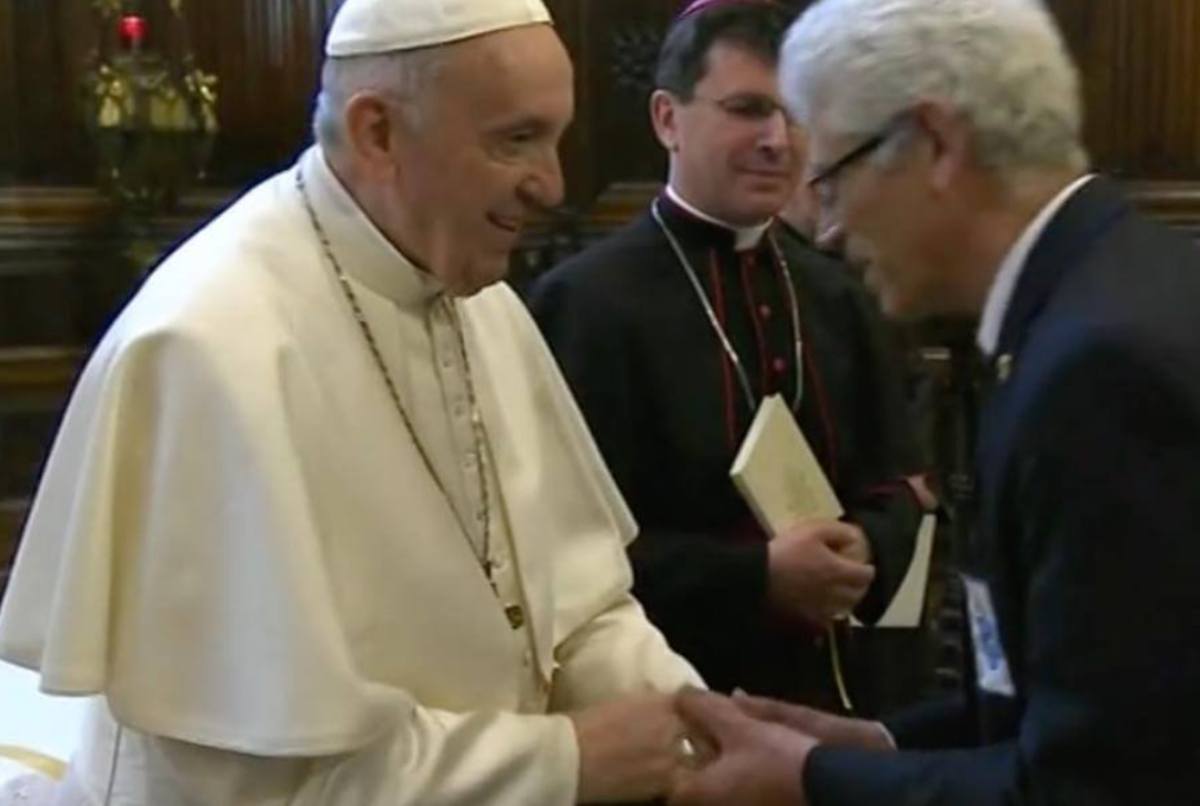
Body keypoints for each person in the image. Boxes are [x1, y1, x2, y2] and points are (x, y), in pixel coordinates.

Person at [0, 1, 707, 803]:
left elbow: (580, 612)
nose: (553, 183)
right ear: (377, 134)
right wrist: (564, 763)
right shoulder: (208, 347)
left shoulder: (479, 297)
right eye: (516, 139)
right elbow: (250, 778)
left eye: (556, 137)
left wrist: (699, 726)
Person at [670, 0, 1200, 804]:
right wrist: (876, 744)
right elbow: (1083, 693)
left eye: (834, 179)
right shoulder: (1107, 285)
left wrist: (812, 780)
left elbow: (1100, 784)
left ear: (937, 144)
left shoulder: (1102, 368)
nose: (828, 229)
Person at [527, 0, 931, 713]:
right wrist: (756, 577)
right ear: (666, 119)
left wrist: (866, 547)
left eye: (793, 114)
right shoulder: (584, 306)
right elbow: (563, 550)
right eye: (747, 109)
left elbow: (905, 482)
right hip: (674, 699)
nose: (778, 140)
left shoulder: (837, 292)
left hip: (847, 697)